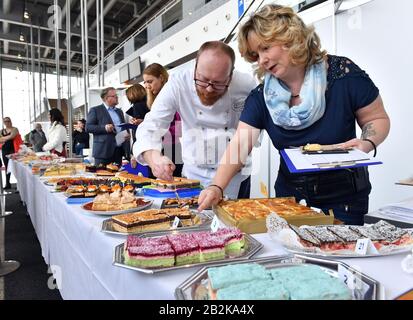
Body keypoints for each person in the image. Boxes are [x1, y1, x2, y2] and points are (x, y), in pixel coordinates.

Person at [197, 4, 390, 225]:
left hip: (345, 199)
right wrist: (217, 186)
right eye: (256, 54)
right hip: (290, 200)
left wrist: (367, 142)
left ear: (291, 38)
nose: (262, 60)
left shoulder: (343, 75)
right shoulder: (261, 97)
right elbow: (240, 144)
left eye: (266, 48)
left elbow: (377, 119)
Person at [134, 41, 257, 199]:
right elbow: (151, 125)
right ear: (195, 67)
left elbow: (250, 133)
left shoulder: (246, 85)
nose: (209, 89)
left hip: (236, 176)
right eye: (203, 80)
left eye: (218, 83)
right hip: (194, 174)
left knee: (234, 223)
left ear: (230, 75)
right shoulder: (179, 83)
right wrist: (154, 158)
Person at [143, 63, 183, 177]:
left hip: (173, 147)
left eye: (150, 81)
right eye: (145, 82)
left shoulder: (174, 96)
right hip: (158, 147)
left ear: (161, 78)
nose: (146, 86)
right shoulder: (154, 99)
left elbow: (179, 128)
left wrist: (159, 132)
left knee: (173, 182)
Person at [86, 87, 130, 166]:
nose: (117, 97)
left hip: (118, 151)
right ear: (106, 98)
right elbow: (88, 127)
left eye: (116, 95)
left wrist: (127, 134)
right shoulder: (95, 110)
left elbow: (122, 127)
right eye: (114, 96)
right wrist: (104, 128)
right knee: (101, 177)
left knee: (117, 177)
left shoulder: (119, 111)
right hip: (103, 152)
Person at [0, 117, 20, 188]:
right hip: (4, 150)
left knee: (16, 167)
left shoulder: (14, 129)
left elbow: (12, 136)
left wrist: (3, 138)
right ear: (4, 123)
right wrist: (3, 139)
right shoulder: (1, 131)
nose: (7, 122)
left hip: (13, 150)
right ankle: (7, 183)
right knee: (7, 166)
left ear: (11, 121)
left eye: (8, 121)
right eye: (5, 121)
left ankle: (19, 184)